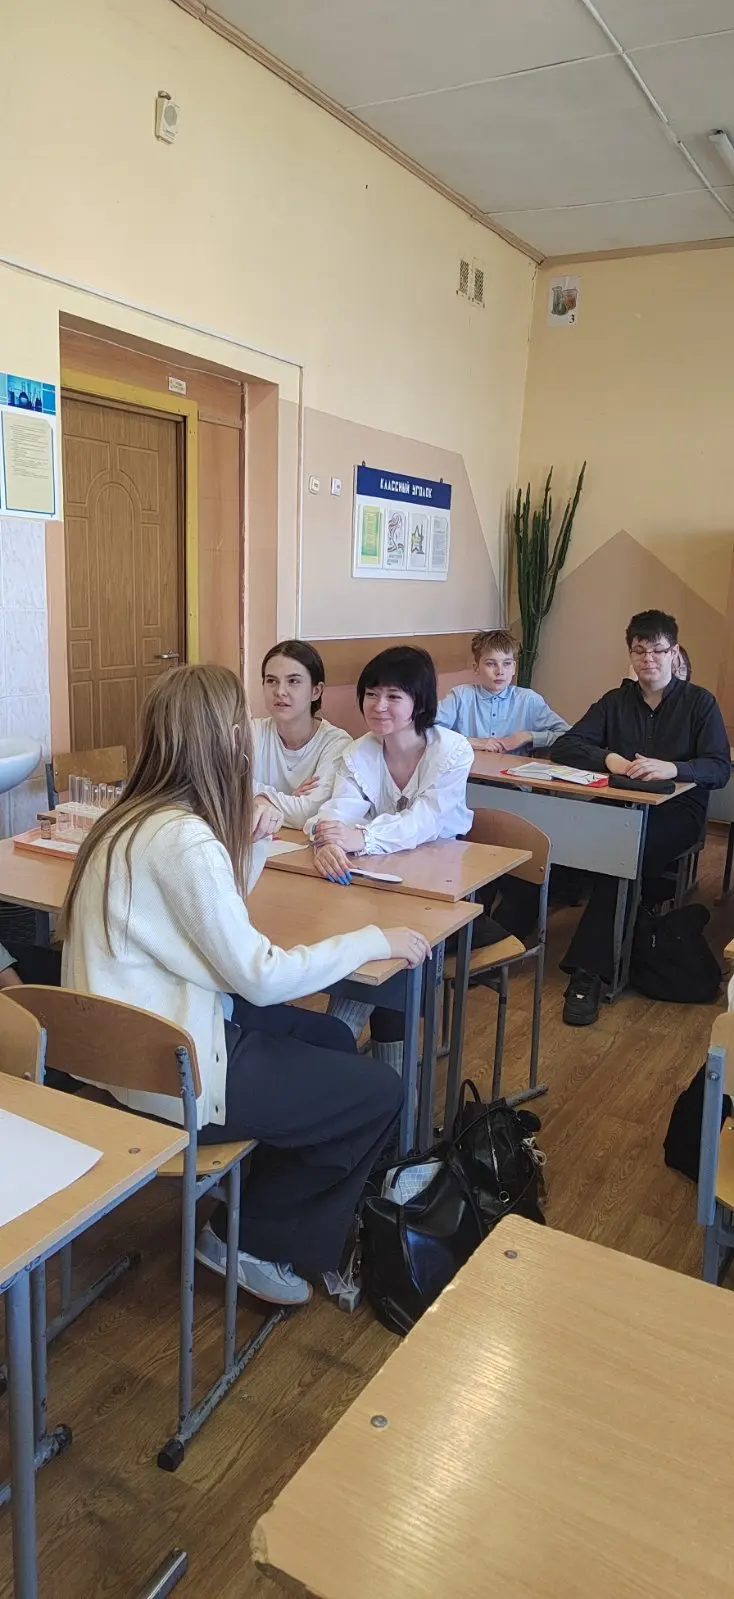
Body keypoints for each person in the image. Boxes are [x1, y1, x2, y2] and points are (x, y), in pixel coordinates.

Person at [59, 665, 430, 1306]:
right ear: (231, 738)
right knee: (379, 1092)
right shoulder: (183, 838)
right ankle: (247, 1237)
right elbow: (260, 976)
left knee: (330, 1039)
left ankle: (265, 1197)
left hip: (130, 1046)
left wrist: (253, 844)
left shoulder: (130, 818)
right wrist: (375, 939)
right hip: (172, 1069)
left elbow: (213, 926)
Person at [551, 609, 730, 1027]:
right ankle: (620, 936)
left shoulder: (699, 703)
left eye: (658, 651)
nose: (648, 659)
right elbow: (566, 745)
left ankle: (587, 974)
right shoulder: (615, 701)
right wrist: (610, 758)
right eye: (639, 651)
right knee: (589, 844)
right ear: (630, 655)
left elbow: (719, 768)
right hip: (618, 809)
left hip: (677, 813)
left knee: (621, 856)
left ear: (674, 653)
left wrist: (675, 768)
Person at [305, 645, 474, 1068]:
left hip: (444, 894)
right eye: (372, 694)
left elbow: (426, 821)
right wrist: (328, 842)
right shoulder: (358, 752)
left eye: (394, 696)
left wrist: (359, 837)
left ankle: (346, 1055)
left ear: (419, 702)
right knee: (370, 942)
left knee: (389, 955)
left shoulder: (452, 751)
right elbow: (336, 811)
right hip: (378, 887)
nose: (379, 706)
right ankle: (372, 1072)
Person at [254, 640, 350, 828]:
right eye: (272, 681)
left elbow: (307, 813)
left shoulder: (336, 743)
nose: (280, 691)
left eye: (293, 681)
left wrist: (260, 799)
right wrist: (290, 800)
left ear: (316, 691)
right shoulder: (252, 732)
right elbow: (224, 791)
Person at [436, 629, 568, 751]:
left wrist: (527, 736)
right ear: (476, 668)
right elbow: (427, 729)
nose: (500, 671)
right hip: (469, 768)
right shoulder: (460, 696)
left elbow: (567, 734)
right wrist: (472, 742)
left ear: (514, 668)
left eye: (507, 663)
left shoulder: (529, 700)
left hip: (514, 768)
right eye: (491, 664)